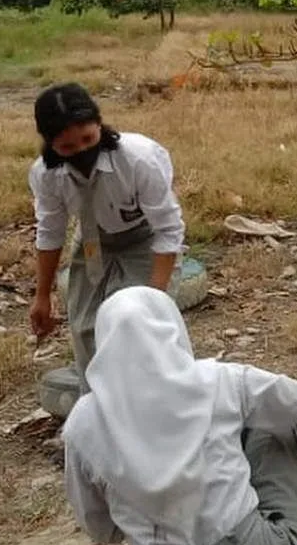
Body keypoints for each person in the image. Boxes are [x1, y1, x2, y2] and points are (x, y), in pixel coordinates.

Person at [62, 286, 297, 545]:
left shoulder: (82, 422)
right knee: (274, 420)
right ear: (172, 329)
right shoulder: (218, 381)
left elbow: (100, 527)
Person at [27, 83, 186, 392]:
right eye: (68, 148)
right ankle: (101, 409)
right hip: (92, 239)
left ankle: (160, 400)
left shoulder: (138, 159)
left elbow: (167, 229)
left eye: (88, 139)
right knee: (87, 328)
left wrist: (156, 296)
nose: (81, 151)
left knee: (140, 325)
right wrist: (42, 296)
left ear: (99, 124)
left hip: (144, 237)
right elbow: (50, 232)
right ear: (51, 143)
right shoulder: (45, 175)